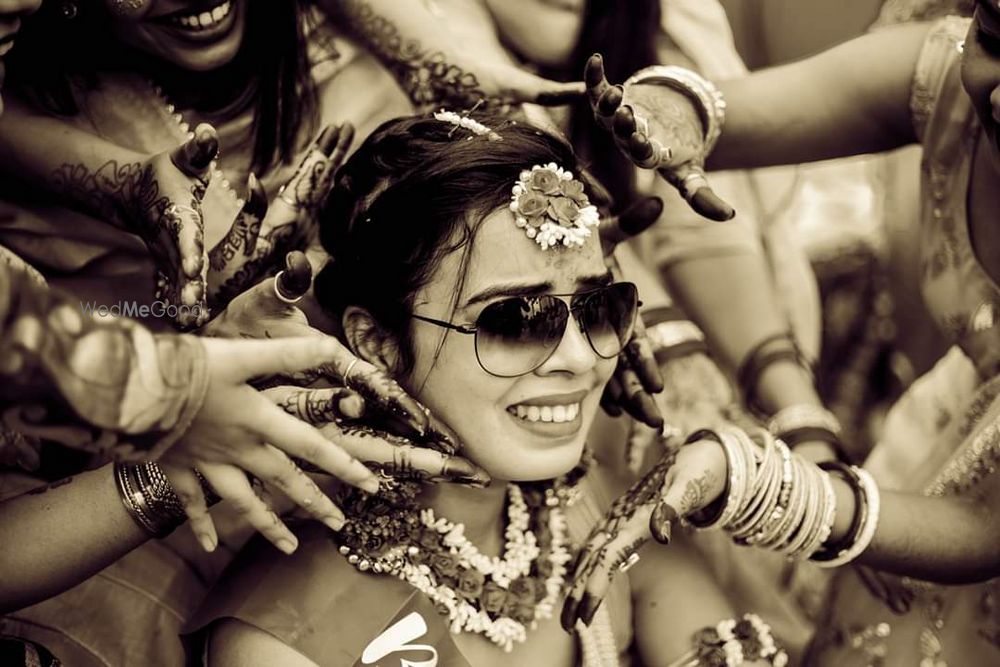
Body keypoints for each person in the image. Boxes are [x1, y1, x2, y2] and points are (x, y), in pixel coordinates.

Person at [185, 110, 788, 667]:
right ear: (374, 343)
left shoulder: (590, 515)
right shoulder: (285, 642)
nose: (579, 358)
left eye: (600, 306)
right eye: (514, 321)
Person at [562, 4, 1000, 663]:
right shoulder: (947, 74)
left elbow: (984, 529)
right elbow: (729, 111)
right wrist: (666, 112)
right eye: (995, 40)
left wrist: (750, 481)